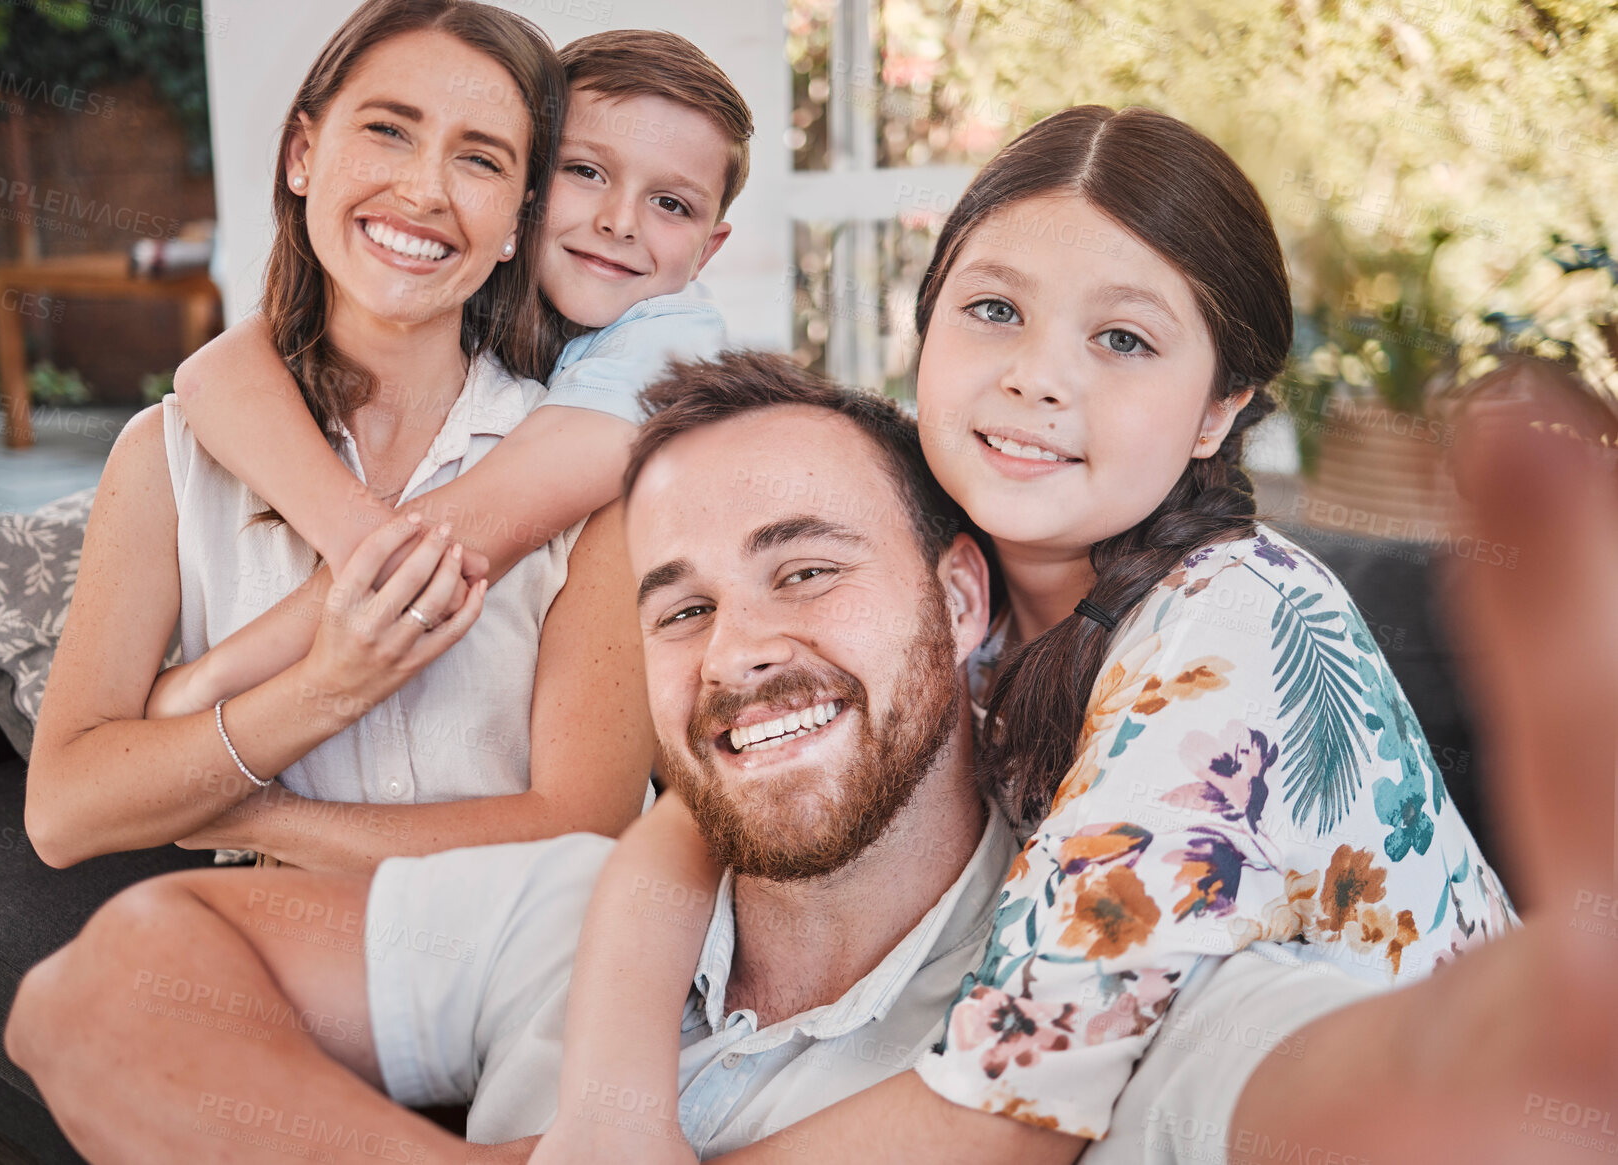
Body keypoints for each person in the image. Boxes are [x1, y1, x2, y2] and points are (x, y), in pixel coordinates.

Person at [5, 354, 1616, 1165]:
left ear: (962, 595)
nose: (738, 648)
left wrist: (1520, 1060)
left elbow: (1344, 1088)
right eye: (679, 604)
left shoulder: (1098, 977)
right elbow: (94, 997)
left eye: (804, 567)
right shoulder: (578, 908)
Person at [536, 105, 1518, 1162]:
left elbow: (1000, 1119)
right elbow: (696, 814)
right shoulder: (930, 569)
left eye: (1122, 339)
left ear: (1216, 410)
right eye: (994, 310)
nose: (1037, 377)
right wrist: (606, 1111)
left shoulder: (1231, 627)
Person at [21, 0, 759, 869]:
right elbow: (65, 815)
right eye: (387, 129)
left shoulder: (616, 451)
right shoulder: (174, 450)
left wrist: (235, 762)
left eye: (481, 158)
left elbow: (579, 826)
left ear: (513, 222)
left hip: (511, 964)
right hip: (262, 952)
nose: (423, 189)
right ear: (302, 154)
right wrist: (322, 690)